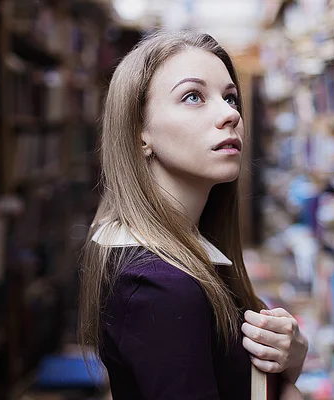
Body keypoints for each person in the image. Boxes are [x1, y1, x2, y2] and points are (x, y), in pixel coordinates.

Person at [78, 30, 308, 399]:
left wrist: (289, 358)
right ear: (140, 133)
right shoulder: (162, 288)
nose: (229, 114)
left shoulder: (145, 243)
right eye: (192, 97)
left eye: (230, 97)